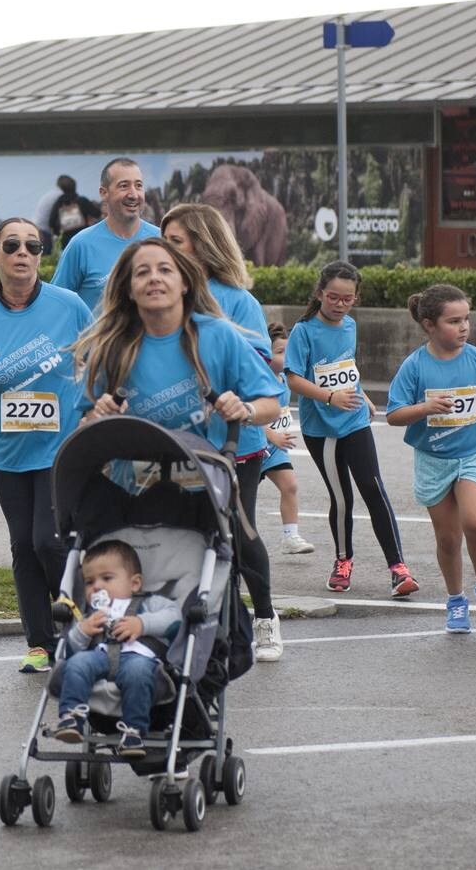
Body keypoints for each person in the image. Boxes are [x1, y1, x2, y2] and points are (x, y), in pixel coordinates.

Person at [70, 238, 284, 657]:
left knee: (213, 570)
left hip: (202, 484)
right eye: (143, 272)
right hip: (131, 488)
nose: (154, 279)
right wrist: (97, 415)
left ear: (185, 282)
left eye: (165, 269)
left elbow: (271, 403)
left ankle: (241, 631)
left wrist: (242, 408)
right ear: (128, 289)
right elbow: (82, 424)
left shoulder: (216, 335)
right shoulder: (113, 344)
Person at [0, 218, 93, 673]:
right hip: (8, 453)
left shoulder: (69, 307)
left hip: (61, 449)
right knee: (22, 546)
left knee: (48, 541)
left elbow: (103, 358)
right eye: (12, 245)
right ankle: (39, 645)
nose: (23, 252)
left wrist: (96, 403)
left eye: (33, 245)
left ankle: (82, 620)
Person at [160, 202, 284, 661]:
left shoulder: (237, 300)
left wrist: (212, 342)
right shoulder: (160, 293)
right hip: (175, 443)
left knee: (236, 531)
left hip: (233, 445)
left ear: (203, 244)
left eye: (176, 241)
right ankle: (218, 623)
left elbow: (258, 374)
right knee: (187, 535)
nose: (166, 250)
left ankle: (265, 617)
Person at [385, 285, 476, 633]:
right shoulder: (415, 366)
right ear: (429, 325)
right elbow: (393, 414)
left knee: (475, 522)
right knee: (448, 539)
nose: (464, 327)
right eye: (454, 321)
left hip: (473, 455)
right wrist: (424, 408)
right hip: (433, 460)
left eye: (466, 319)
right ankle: (455, 599)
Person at [284, 261, 419, 598]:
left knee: (373, 489)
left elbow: (345, 367)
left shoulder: (350, 326)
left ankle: (398, 569)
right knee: (342, 498)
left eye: (348, 299)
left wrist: (360, 396)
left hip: (354, 420)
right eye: (334, 297)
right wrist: (330, 396)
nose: (340, 304)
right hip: (322, 430)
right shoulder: (304, 331)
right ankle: (343, 560)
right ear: (320, 294)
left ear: (356, 298)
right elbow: (293, 379)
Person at [50, 540, 179, 759]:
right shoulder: (90, 613)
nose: (96, 587)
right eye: (89, 582)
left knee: (137, 673)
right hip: (100, 657)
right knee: (77, 664)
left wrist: (141, 624)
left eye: (107, 578)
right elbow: (70, 651)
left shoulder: (150, 603)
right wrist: (83, 631)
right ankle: (71, 716)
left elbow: (174, 618)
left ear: (135, 583)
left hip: (139, 658)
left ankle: (133, 730)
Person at [52, 158, 160, 312]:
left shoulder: (161, 240)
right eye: (124, 186)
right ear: (104, 193)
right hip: (98, 336)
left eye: (138, 185)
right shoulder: (81, 245)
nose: (133, 194)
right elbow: (57, 306)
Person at [262, 322, 315, 556]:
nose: (286, 358)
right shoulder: (259, 379)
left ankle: (290, 536)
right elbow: (251, 411)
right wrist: (271, 434)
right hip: (252, 446)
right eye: (280, 352)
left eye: (288, 352)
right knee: (239, 497)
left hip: (274, 450)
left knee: (290, 485)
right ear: (265, 353)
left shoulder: (286, 378)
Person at [48, 174, 100, 251]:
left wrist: (59, 232)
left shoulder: (59, 204)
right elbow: (97, 213)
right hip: (83, 238)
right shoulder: (82, 201)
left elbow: (51, 222)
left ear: (61, 189)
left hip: (66, 242)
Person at [31, 178, 64, 256]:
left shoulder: (51, 194)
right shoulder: (60, 196)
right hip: (44, 230)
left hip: (37, 226)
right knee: (45, 254)